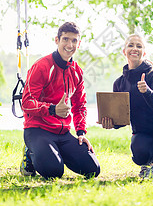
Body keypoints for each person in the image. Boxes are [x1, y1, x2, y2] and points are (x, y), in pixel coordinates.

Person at [20, 22, 100, 179]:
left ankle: (53, 151)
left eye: (74, 40)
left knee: (93, 169)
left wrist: (80, 132)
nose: (70, 45)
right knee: (53, 172)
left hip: (62, 132)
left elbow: (80, 105)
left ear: (79, 43)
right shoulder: (42, 66)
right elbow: (27, 102)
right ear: (57, 40)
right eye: (65, 39)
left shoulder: (77, 71)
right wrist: (52, 109)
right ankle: (30, 153)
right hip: (37, 130)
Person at [102, 34, 153, 179]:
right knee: (139, 157)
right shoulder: (119, 83)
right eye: (131, 45)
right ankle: (147, 163)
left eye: (139, 46)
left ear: (144, 53)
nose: (135, 49)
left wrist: (146, 91)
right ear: (124, 51)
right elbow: (122, 118)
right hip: (143, 133)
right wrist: (111, 123)